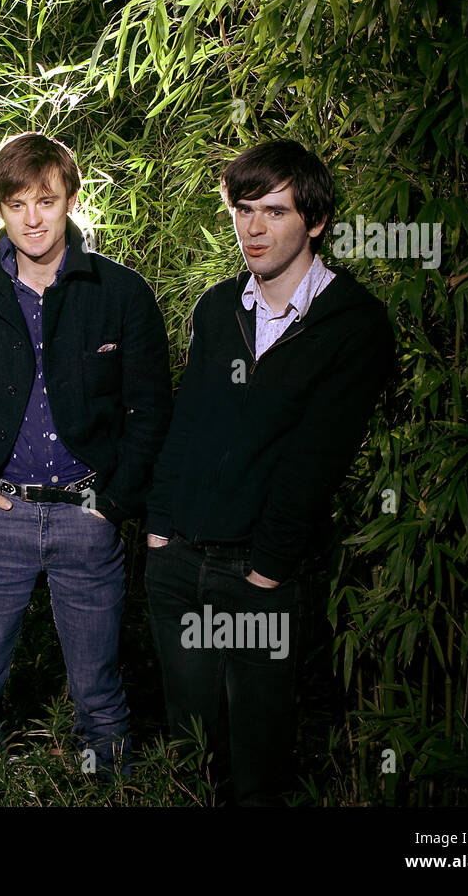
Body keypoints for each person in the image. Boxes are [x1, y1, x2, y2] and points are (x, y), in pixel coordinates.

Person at [144, 139, 395, 805]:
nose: (253, 229)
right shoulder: (217, 308)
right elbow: (186, 422)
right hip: (178, 564)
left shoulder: (353, 323)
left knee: (258, 772)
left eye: (275, 212)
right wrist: (159, 529)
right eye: (244, 209)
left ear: (313, 221)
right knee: (190, 759)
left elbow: (319, 457)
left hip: (258, 573)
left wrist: (268, 567)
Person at [0, 132, 172, 774]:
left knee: (99, 697)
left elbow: (150, 412)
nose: (32, 218)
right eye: (17, 204)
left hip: (87, 517)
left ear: (70, 198)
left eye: (46, 199)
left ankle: (110, 788)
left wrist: (114, 502)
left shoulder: (120, 293)